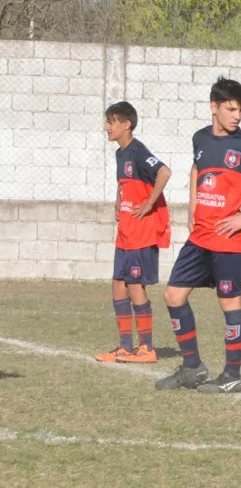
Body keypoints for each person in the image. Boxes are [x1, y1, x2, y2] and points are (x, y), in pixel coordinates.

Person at [155, 78, 241, 394]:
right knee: (173, 296)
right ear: (213, 107)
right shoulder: (200, 138)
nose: (237, 116)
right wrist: (192, 204)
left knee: (229, 304)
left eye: (240, 110)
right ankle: (192, 368)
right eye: (231, 109)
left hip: (229, 242)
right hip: (199, 238)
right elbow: (196, 168)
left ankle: (232, 376)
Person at [95, 101, 172, 364]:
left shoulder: (138, 151)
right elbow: (124, 183)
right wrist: (119, 200)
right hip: (126, 231)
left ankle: (147, 348)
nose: (106, 127)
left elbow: (164, 172)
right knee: (118, 284)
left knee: (135, 285)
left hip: (142, 231)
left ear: (126, 124)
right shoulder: (121, 154)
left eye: (110, 122)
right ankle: (125, 347)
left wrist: (149, 203)